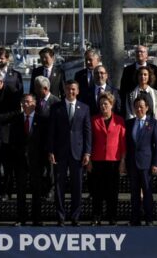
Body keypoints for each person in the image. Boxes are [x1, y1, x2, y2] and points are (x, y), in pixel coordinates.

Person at [48, 80, 91, 226]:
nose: (70, 92)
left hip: (78, 153)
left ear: (77, 91)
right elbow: (51, 132)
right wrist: (51, 151)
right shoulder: (56, 108)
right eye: (68, 89)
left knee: (77, 186)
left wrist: (87, 152)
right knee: (59, 185)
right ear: (64, 91)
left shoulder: (84, 108)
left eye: (73, 89)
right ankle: (60, 216)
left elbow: (87, 132)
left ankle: (75, 216)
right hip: (60, 152)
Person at [9, 94, 48, 226]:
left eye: (29, 102)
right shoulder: (16, 120)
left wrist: (43, 160)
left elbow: (44, 142)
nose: (26, 104)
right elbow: (12, 141)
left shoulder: (42, 120)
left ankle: (37, 218)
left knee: (36, 191)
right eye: (24, 102)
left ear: (34, 104)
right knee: (21, 192)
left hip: (36, 161)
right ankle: (21, 218)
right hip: (19, 161)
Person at [124, 94, 157, 226]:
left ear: (147, 108)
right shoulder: (128, 124)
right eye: (136, 107)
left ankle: (149, 218)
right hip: (132, 163)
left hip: (147, 164)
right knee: (134, 193)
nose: (138, 109)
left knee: (147, 191)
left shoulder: (153, 123)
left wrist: (156, 163)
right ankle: (135, 219)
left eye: (141, 106)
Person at [88, 92, 125, 226]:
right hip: (97, 160)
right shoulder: (93, 120)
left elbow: (123, 142)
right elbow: (90, 141)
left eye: (106, 104)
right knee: (96, 191)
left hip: (113, 161)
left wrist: (122, 161)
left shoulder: (119, 120)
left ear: (112, 105)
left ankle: (112, 217)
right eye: (101, 104)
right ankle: (96, 216)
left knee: (112, 191)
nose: (103, 106)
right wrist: (90, 160)